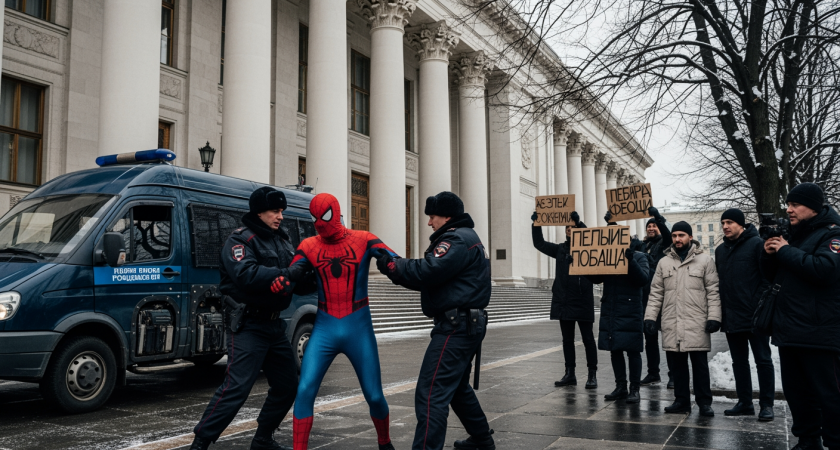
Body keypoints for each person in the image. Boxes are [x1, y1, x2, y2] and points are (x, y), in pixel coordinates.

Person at [273, 193, 399, 450]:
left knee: (375, 396)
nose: (320, 223)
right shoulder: (309, 245)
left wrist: (393, 264)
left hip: (358, 327)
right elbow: (294, 270)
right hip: (325, 326)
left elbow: (391, 257)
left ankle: (385, 443)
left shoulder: (364, 239)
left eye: (325, 216)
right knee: (305, 389)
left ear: (336, 212)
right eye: (315, 218)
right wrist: (284, 280)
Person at [376, 191, 493, 450]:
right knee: (458, 387)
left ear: (447, 216)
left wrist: (392, 265)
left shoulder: (457, 239)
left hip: (456, 328)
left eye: (433, 217)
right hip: (465, 325)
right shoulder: (467, 238)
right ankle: (482, 439)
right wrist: (397, 268)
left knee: (431, 393)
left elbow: (428, 270)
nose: (429, 223)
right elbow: (434, 278)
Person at [190, 187, 301, 450]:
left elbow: (295, 275)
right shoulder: (239, 240)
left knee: (287, 385)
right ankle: (201, 442)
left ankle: (263, 439)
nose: (280, 217)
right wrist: (287, 273)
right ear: (259, 211)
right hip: (248, 325)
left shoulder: (281, 240)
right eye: (275, 211)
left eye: (282, 211)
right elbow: (246, 274)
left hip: (274, 325)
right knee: (237, 388)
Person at [760, 182, 840, 450]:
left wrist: (785, 250)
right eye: (788, 204)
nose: (788, 209)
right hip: (791, 329)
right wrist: (771, 255)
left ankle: (835, 442)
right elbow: (777, 276)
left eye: (795, 204)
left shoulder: (833, 236)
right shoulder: (795, 236)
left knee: (828, 395)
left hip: (819, 331)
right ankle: (808, 440)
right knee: (797, 393)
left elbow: (824, 270)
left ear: (814, 208)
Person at [645, 221, 721, 417]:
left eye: (681, 235)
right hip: (671, 321)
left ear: (689, 236)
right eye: (674, 236)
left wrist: (714, 317)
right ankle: (681, 401)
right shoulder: (664, 262)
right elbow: (656, 293)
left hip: (696, 322)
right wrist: (650, 318)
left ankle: (704, 402)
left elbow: (713, 291)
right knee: (677, 367)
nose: (677, 239)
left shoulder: (704, 261)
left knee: (700, 366)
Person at [715, 208, 775, 421]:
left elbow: (767, 278)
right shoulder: (720, 250)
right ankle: (745, 402)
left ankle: (767, 404)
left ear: (741, 224)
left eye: (730, 222)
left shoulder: (757, 244)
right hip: (732, 316)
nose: (725, 226)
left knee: (763, 360)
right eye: (723, 222)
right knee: (738, 361)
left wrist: (758, 303)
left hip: (755, 316)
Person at [585, 222, 650, 405]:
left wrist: (629, 260)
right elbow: (597, 277)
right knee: (615, 350)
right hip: (612, 309)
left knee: (633, 351)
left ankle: (634, 389)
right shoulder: (608, 257)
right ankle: (621, 386)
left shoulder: (639, 257)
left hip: (630, 310)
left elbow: (643, 280)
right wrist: (581, 266)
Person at [531, 210, 597, 389]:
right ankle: (570, 373)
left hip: (582, 299)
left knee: (588, 339)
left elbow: (591, 237)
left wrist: (579, 223)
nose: (569, 229)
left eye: (572, 226)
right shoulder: (560, 249)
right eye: (567, 227)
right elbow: (539, 243)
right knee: (567, 340)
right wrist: (536, 224)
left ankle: (592, 374)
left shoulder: (586, 247)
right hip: (564, 301)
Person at [641, 207, 673, 389]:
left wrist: (658, 217)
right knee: (650, 339)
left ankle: (673, 375)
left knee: (668, 339)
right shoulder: (643, 245)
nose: (651, 228)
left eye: (654, 225)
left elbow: (668, 235)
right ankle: (653, 373)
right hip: (646, 300)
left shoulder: (665, 244)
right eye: (649, 226)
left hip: (663, 297)